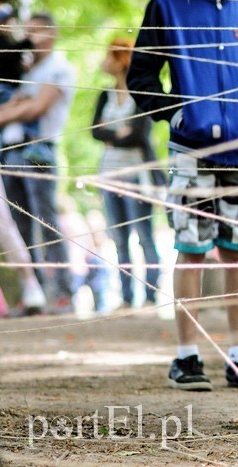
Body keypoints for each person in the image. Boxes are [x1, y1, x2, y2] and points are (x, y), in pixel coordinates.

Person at [127, 0, 238, 391]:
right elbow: (141, 74)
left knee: (237, 251)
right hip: (191, 152)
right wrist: (177, 113)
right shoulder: (165, 4)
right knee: (191, 250)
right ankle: (186, 355)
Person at [0, 12, 76, 314]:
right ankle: (38, 294)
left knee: (47, 224)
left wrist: (10, 110)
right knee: (20, 227)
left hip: (39, 153)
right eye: (27, 31)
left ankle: (64, 294)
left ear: (52, 34)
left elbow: (37, 108)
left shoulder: (60, 69)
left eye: (37, 31)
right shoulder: (24, 69)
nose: (30, 37)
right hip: (11, 152)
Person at [91, 37, 162, 311]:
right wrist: (116, 133)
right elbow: (95, 131)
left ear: (120, 60)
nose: (103, 61)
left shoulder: (140, 95)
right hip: (108, 174)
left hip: (137, 175)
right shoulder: (104, 96)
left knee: (144, 236)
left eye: (108, 55)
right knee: (119, 237)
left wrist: (113, 134)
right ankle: (126, 296)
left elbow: (138, 135)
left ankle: (151, 295)